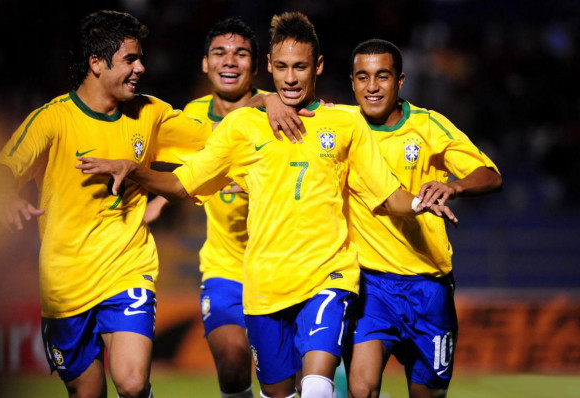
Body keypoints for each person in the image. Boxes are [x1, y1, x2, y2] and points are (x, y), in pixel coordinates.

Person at [75, 13, 458, 398]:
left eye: (301, 67)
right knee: (276, 391)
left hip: (328, 277)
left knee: (316, 386)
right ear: (269, 68)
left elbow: (390, 195)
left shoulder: (346, 125)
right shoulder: (241, 128)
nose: (291, 78)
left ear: (318, 66)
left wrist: (425, 201)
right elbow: (181, 183)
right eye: (282, 67)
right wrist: (136, 170)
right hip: (263, 285)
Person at [0, 10, 213, 398]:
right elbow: (5, 167)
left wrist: (269, 106)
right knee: (87, 392)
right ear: (96, 63)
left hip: (128, 268)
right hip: (66, 283)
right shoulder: (53, 119)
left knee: (130, 382)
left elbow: (220, 136)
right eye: (130, 59)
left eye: (140, 58)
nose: (141, 68)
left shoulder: (151, 113)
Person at [344, 39, 503, 398]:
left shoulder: (429, 127)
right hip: (370, 286)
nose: (372, 87)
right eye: (362, 77)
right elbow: (273, 104)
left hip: (428, 288)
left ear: (400, 81)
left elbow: (491, 175)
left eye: (382, 77)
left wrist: (456, 186)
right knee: (361, 388)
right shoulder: (340, 127)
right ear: (352, 82)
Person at [145, 17, 265, 398]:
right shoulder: (191, 116)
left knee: (290, 378)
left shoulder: (276, 113)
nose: (230, 61)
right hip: (225, 265)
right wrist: (163, 198)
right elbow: (188, 169)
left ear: (255, 66)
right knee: (232, 365)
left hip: (283, 264)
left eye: (241, 53)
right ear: (205, 64)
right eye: (220, 53)